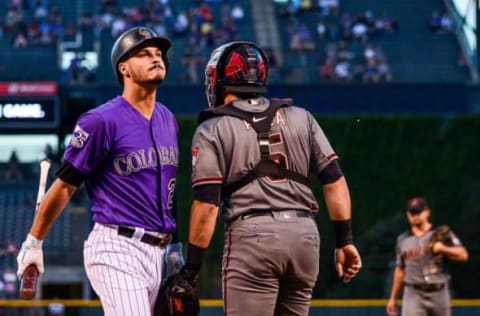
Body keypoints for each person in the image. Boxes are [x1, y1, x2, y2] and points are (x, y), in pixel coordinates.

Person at [174, 41, 362, 315]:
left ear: (220, 77)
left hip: (253, 236)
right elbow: (334, 181)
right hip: (305, 236)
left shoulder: (211, 128)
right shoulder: (302, 117)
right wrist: (345, 241)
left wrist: (190, 270)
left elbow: (207, 205)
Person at [16, 26, 184, 315]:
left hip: (158, 252)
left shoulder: (168, 118)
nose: (156, 58)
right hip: (116, 246)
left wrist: (175, 246)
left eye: (159, 54)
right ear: (124, 69)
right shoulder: (101, 120)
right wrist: (34, 241)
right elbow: (66, 183)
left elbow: (168, 190)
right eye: (144, 54)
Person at [386, 197, 469, 316]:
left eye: (418, 212)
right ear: (408, 214)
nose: (415, 215)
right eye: (412, 212)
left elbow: (463, 255)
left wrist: (443, 249)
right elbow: (400, 269)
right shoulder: (403, 240)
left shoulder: (441, 233)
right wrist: (393, 298)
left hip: (439, 291)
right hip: (413, 292)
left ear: (427, 212)